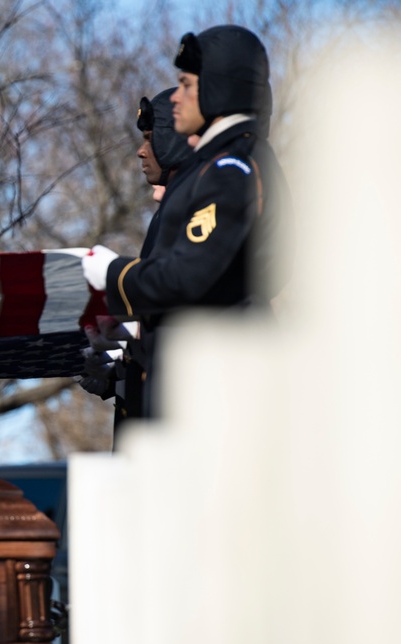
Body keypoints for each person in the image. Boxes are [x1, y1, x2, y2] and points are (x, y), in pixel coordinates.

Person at [81, 25, 291, 418]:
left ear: (217, 88)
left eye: (185, 84)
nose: (175, 97)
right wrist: (126, 341)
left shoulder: (232, 168)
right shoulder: (220, 166)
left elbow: (186, 276)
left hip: (217, 401)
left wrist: (112, 273)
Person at [79, 86, 193, 433]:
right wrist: (111, 372)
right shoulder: (168, 212)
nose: (141, 152)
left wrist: (113, 272)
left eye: (150, 138)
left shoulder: (189, 206)